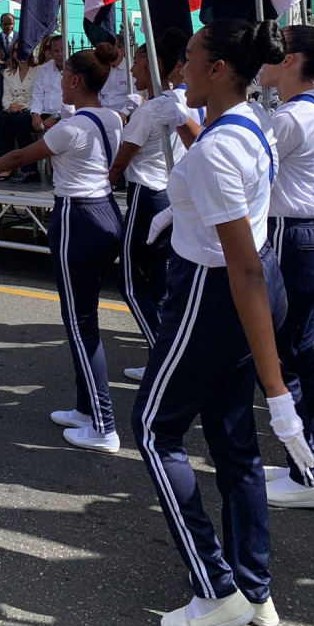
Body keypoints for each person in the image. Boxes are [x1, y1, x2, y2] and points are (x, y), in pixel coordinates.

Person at [132, 19, 313, 626]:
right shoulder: (247, 124)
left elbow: (242, 270)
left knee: (154, 431)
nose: (178, 66)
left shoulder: (216, 149)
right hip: (234, 279)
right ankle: (254, 589)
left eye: (188, 57)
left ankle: (216, 588)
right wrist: (177, 224)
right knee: (234, 444)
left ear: (217, 70)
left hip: (211, 295)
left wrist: (279, 390)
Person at [0, 43, 124, 453]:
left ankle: (103, 423)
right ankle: (86, 408)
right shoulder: (111, 119)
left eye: (65, 75)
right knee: (84, 317)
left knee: (80, 322)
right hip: (104, 212)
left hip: (77, 217)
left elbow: (18, 156)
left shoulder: (69, 127)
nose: (59, 82)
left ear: (77, 81)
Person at [257, 21, 314, 508]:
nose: (262, 62)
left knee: (288, 357)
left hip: (292, 234)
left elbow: (247, 169)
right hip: (313, 234)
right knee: (299, 353)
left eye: (273, 53)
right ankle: (309, 460)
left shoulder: (291, 118)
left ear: (292, 61)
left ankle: (309, 470)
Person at [108, 29, 188, 380]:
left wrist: (101, 186)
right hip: (175, 196)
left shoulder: (152, 109)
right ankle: (167, 353)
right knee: (161, 283)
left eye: (139, 64)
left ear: (157, 67)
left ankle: (162, 356)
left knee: (130, 279)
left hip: (148, 196)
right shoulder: (188, 103)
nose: (134, 71)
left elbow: (122, 161)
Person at [0, 39, 40, 182]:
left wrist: (23, 108)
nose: (19, 53)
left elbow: (38, 94)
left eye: (22, 49)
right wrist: (11, 106)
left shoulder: (38, 70)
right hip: (13, 108)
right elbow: (6, 97)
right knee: (3, 119)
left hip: (30, 108)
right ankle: (5, 166)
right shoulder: (8, 72)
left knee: (20, 122)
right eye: (15, 50)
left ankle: (30, 170)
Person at [30, 35, 73, 134]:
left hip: (64, 115)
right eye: (56, 51)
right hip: (44, 113)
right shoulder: (44, 68)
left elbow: (73, 104)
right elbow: (37, 94)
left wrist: (56, 116)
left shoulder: (77, 69)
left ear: (69, 49)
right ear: (51, 52)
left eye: (63, 50)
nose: (60, 54)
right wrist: (35, 113)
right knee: (19, 121)